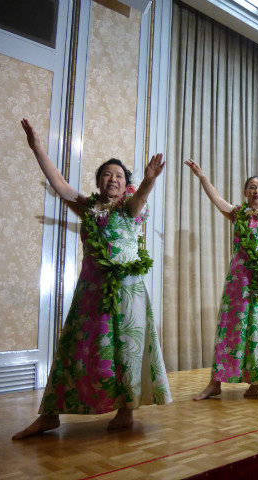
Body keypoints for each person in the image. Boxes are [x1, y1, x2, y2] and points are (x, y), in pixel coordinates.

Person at [13, 119, 172, 440]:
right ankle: (49, 415)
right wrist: (37, 148)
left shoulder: (129, 208)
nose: (113, 178)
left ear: (126, 183)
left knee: (126, 349)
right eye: (107, 174)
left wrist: (149, 181)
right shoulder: (88, 208)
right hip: (91, 291)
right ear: (99, 182)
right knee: (76, 348)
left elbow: (140, 198)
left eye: (119, 175)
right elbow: (58, 182)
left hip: (127, 292)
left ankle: (126, 409)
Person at [185, 159, 258, 400]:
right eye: (252, 187)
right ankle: (216, 382)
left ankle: (256, 382)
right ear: (245, 192)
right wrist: (202, 177)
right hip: (238, 279)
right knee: (230, 329)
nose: (257, 191)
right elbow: (217, 199)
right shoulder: (238, 214)